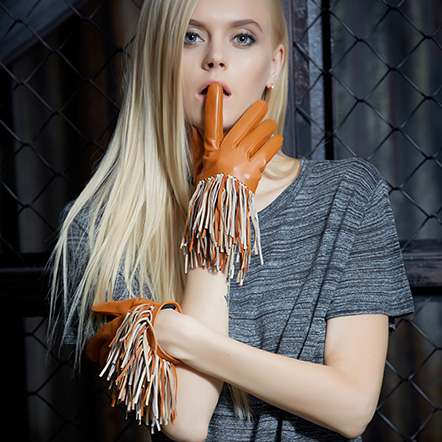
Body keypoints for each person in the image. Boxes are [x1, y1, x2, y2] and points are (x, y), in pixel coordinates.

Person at [48, 0, 414, 441]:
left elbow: (352, 407)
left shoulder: (348, 195)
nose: (215, 58)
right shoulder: (101, 226)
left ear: (274, 64)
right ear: (156, 57)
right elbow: (186, 419)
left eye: (242, 37)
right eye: (190, 36)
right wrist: (218, 202)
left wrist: (182, 338)